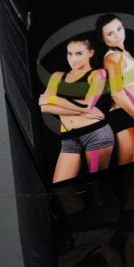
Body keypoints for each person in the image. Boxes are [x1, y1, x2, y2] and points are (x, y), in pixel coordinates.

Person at [39, 37, 114, 182]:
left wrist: (53, 99)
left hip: (96, 135)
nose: (73, 59)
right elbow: (44, 107)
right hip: (69, 138)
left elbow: (86, 105)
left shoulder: (98, 74)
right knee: (60, 185)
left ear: (90, 53)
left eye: (79, 53)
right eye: (70, 54)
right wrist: (81, 110)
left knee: (97, 185)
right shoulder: (57, 77)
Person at [95, 14, 134, 164]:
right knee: (127, 168)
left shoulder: (126, 53)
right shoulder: (112, 57)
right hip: (124, 113)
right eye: (110, 33)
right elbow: (116, 93)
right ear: (103, 38)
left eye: (119, 29)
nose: (117, 35)